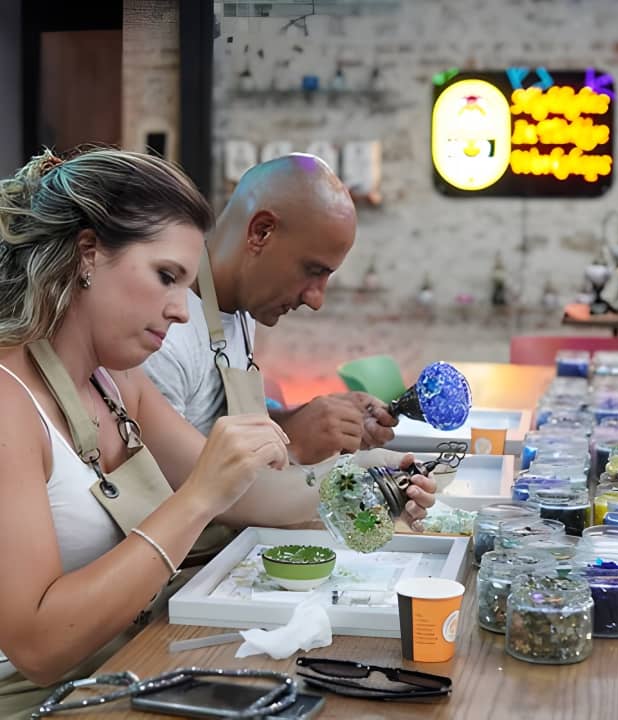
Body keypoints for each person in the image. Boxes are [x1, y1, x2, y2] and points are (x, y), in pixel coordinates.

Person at [0, 148, 435, 719]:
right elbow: (39, 649)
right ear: (88, 254)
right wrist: (199, 496)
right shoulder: (10, 404)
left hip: (126, 665)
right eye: (165, 277)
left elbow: (251, 495)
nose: (182, 311)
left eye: (185, 283)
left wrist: (370, 482)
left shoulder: (117, 383)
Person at [143, 154, 398, 465]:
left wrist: (311, 420)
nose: (316, 300)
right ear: (261, 232)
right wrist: (294, 448)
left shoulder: (241, 310)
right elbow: (171, 483)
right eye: (312, 270)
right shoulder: (162, 336)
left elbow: (219, 427)